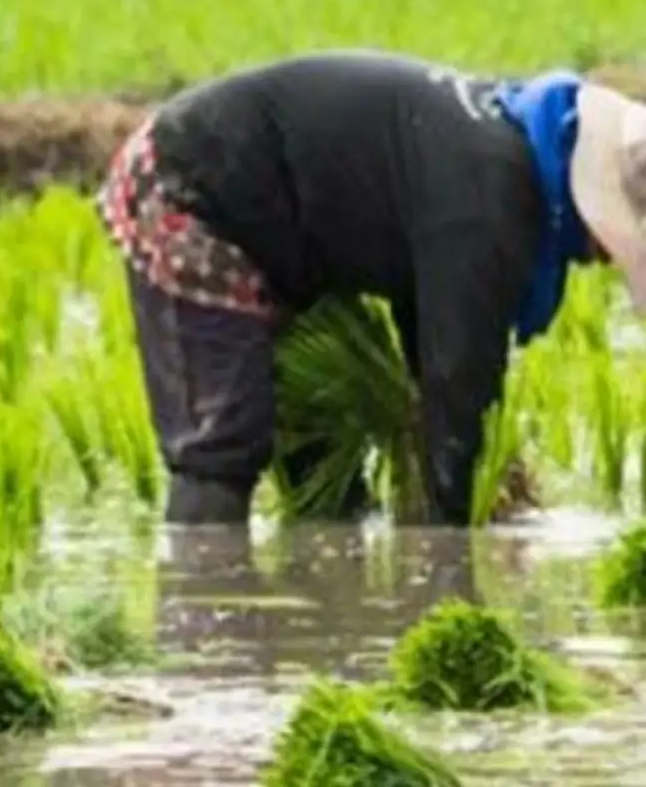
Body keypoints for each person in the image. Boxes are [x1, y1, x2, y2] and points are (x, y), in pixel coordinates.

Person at [96, 49, 646, 527]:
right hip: (192, 192)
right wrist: (453, 544)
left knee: (328, 453)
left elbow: (430, 331)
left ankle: (319, 608)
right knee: (221, 447)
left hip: (278, 218)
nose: (604, 260)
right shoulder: (492, 203)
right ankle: (203, 620)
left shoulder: (507, 147)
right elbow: (461, 378)